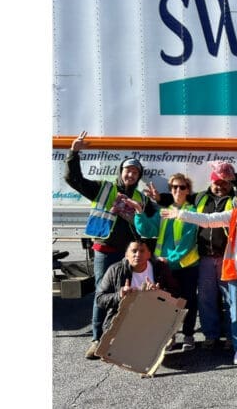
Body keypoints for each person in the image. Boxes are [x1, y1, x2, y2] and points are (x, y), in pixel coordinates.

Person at [163, 185, 237, 366]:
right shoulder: (236, 215)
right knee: (236, 313)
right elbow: (208, 220)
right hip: (236, 274)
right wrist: (180, 214)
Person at [64, 131, 150, 359]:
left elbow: (152, 222)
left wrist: (152, 204)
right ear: (120, 172)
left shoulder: (141, 197)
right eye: (127, 170)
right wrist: (74, 153)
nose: (130, 174)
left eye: (135, 171)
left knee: (128, 295)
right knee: (102, 295)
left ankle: (120, 337)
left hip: (129, 256)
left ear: (139, 175)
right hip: (104, 251)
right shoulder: (103, 188)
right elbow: (74, 180)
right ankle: (96, 339)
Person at [149, 161, 237, 351]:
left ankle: (229, 335)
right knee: (206, 298)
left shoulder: (235, 199)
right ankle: (210, 335)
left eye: (224, 182)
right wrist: (161, 198)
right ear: (211, 183)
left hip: (227, 258)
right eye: (216, 182)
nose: (220, 186)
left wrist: (236, 180)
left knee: (230, 299)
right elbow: (178, 197)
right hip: (205, 258)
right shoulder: (200, 198)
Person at [131, 173, 200, 352]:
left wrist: (170, 260)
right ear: (170, 190)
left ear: (188, 190)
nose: (178, 190)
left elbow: (188, 241)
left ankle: (188, 335)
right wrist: (139, 213)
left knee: (188, 302)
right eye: (174, 187)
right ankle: (170, 337)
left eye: (182, 187)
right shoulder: (163, 211)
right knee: (166, 303)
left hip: (186, 266)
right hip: (164, 267)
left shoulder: (192, 212)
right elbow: (147, 230)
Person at [95, 239, 180, 337]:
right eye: (134, 251)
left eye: (142, 251)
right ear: (126, 254)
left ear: (149, 254)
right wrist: (119, 295)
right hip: (124, 317)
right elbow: (99, 299)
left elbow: (176, 293)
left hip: (154, 315)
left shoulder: (160, 268)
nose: (138, 254)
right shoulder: (115, 270)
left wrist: (159, 293)